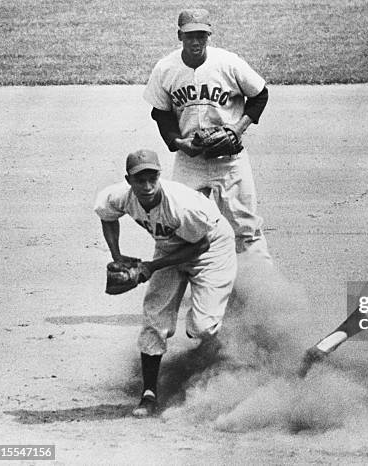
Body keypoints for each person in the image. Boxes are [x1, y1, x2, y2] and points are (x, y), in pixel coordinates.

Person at [94, 149, 237, 417]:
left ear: (160, 176)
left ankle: (227, 358)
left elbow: (200, 245)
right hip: (169, 246)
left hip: (211, 248)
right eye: (140, 180)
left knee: (202, 327)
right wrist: (117, 255)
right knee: (154, 319)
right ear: (129, 180)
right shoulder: (120, 196)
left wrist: (150, 267)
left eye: (152, 178)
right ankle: (149, 394)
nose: (147, 186)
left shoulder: (181, 205)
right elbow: (106, 214)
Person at [143, 8, 271, 262]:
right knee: (178, 225)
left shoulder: (228, 63)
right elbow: (161, 112)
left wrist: (238, 128)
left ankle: (261, 290)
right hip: (190, 162)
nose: (196, 41)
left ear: (209, 35)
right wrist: (178, 141)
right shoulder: (166, 68)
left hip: (230, 162)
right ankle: (187, 286)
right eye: (190, 36)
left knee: (246, 229)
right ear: (179, 35)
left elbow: (259, 95)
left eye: (201, 35)